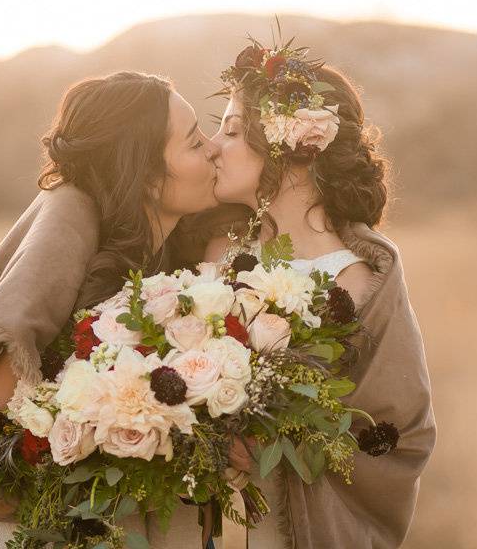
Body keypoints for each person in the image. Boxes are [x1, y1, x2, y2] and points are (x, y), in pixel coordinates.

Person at [0, 70, 219, 549]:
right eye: (194, 142)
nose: (212, 150)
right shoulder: (69, 238)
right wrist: (133, 477)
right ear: (145, 175)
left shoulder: (169, 261)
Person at [170, 40, 438, 548]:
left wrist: (270, 433)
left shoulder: (353, 282)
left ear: (288, 147)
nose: (212, 145)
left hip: (279, 522)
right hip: (185, 516)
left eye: (230, 130)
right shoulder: (214, 243)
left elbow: (394, 427)